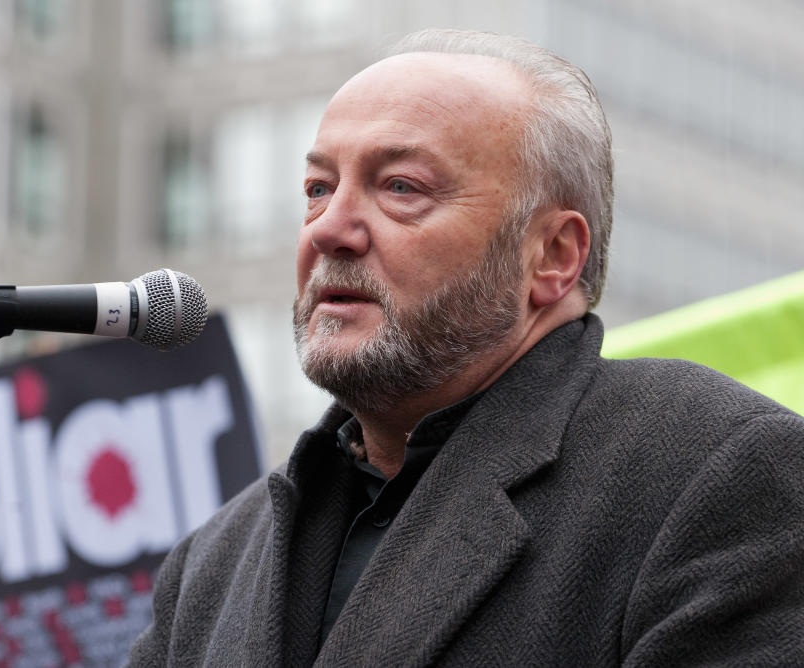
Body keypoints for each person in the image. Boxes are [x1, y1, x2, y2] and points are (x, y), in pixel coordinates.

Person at [128, 29, 804, 666]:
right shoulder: (212, 565)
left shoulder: (716, 472)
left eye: (401, 188)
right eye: (318, 188)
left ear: (553, 255)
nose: (330, 228)